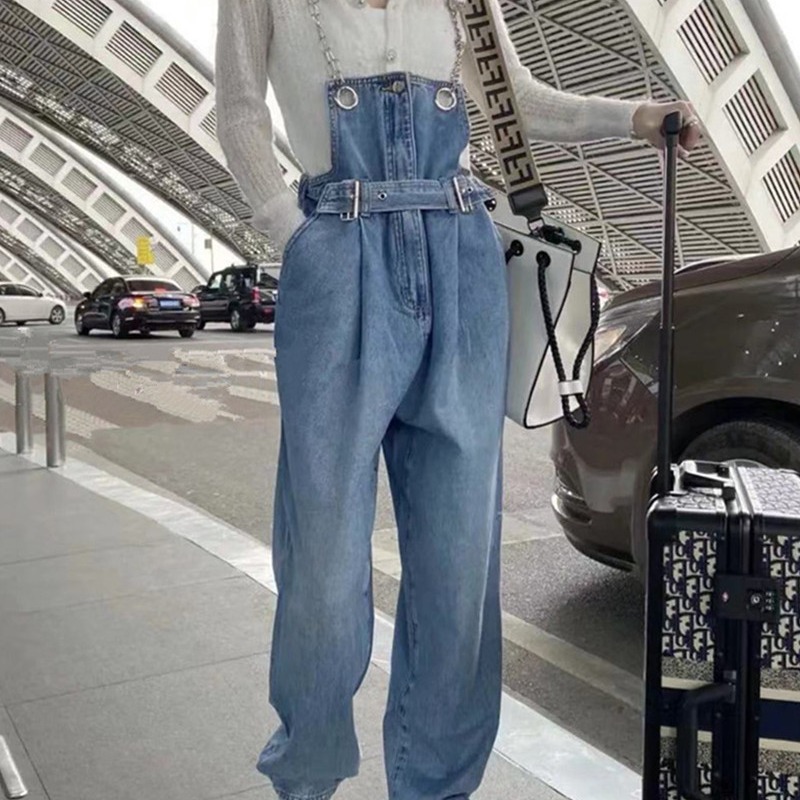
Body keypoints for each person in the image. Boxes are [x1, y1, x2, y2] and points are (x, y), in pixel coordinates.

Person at [215, 2, 700, 799]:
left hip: (461, 257)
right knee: (322, 565)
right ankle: (306, 776)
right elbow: (237, 109)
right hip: (337, 259)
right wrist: (293, 233)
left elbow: (518, 98)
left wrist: (635, 116)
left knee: (458, 563)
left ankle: (435, 786)